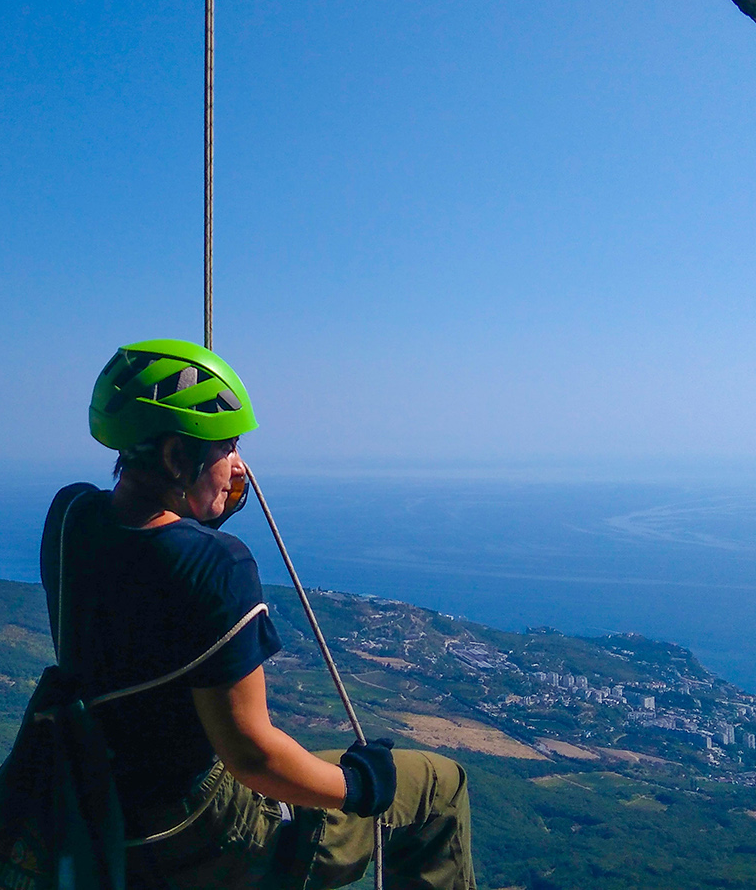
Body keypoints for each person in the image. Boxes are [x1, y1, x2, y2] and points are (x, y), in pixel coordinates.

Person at [40, 338, 475, 890]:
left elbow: (149, 566)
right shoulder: (219, 567)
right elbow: (253, 758)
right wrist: (359, 787)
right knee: (438, 785)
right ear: (177, 456)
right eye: (227, 446)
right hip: (195, 836)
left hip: (92, 800)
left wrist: (207, 505)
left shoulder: (71, 511)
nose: (238, 464)